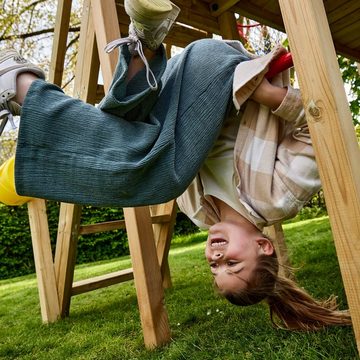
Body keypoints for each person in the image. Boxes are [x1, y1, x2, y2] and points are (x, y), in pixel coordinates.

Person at [0, 0, 351, 330]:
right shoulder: (279, 198)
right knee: (153, 179)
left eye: (213, 266)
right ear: (263, 246)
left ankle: (145, 39)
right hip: (223, 76)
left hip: (172, 91)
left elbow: (160, 143)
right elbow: (318, 129)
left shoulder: (200, 212)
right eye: (231, 262)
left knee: (120, 130)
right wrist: (271, 96)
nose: (216, 255)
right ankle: (22, 88)